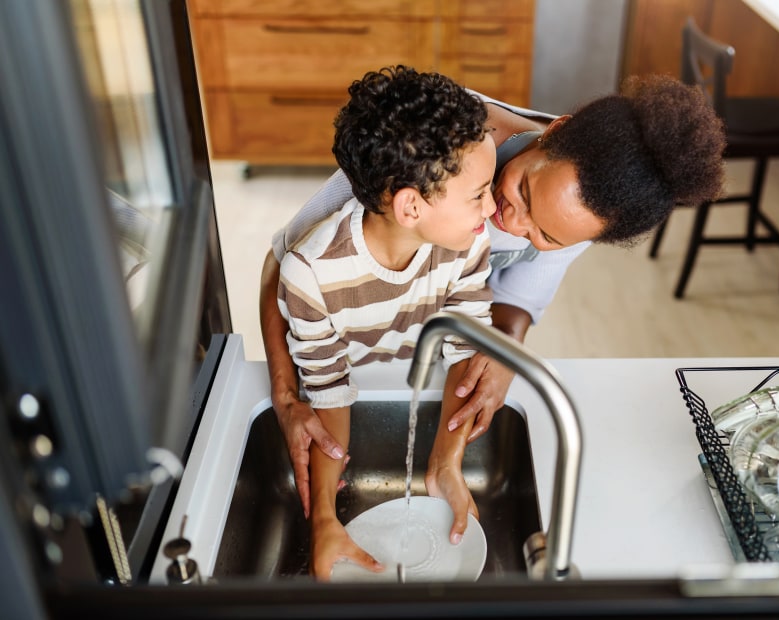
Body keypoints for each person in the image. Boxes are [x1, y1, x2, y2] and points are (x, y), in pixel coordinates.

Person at [259, 72, 727, 545]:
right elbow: (286, 266)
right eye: (522, 190)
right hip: (340, 335)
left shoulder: (583, 208)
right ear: (553, 132)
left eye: (545, 236)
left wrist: (502, 352)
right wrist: (286, 396)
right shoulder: (434, 145)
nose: (505, 219)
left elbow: (508, 308)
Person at [276, 65, 498, 580]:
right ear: (411, 205)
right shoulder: (311, 272)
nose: (492, 207)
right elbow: (328, 394)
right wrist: (325, 521)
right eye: (478, 193)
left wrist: (446, 463)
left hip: (412, 384)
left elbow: (466, 355)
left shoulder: (467, 243)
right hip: (358, 384)